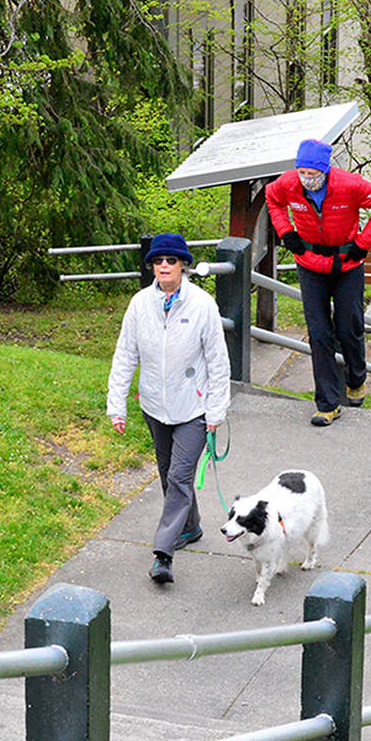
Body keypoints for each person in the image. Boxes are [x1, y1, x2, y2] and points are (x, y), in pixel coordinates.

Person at [107, 233, 231, 585]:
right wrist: (117, 406)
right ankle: (190, 527)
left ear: (183, 266)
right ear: (152, 267)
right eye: (158, 262)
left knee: (179, 477)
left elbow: (218, 362)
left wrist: (216, 411)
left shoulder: (202, 305)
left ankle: (164, 554)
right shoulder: (139, 304)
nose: (163, 267)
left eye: (170, 262)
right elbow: (125, 355)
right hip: (154, 405)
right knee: (168, 473)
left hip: (194, 407)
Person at [265, 138, 371, 426]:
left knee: (349, 327)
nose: (307, 179)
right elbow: (271, 198)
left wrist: (363, 243)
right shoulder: (288, 184)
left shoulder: (351, 185)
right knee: (319, 334)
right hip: (309, 263)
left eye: (313, 174)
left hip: (348, 263)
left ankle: (356, 378)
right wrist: (287, 233)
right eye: (303, 173)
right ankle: (327, 404)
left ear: (325, 171)